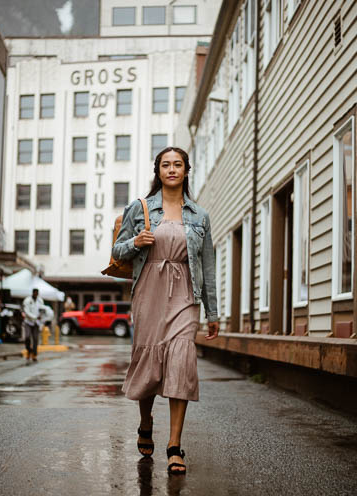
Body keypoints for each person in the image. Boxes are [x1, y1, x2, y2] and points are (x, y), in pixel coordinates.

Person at [112, 146, 219, 475]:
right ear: (157, 171)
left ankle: (174, 445)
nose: (172, 169)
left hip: (186, 292)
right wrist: (136, 242)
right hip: (149, 289)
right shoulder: (140, 208)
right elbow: (117, 250)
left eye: (178, 165)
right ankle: (146, 421)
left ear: (187, 170)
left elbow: (208, 265)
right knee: (150, 359)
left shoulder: (199, 216)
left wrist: (212, 312)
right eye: (165, 165)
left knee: (181, 359)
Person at [22, 288, 44, 363]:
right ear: (32, 293)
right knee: (27, 337)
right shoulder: (27, 300)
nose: (36, 294)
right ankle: (29, 350)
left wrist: (41, 316)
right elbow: (26, 311)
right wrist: (35, 317)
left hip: (36, 323)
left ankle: (34, 354)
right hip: (28, 322)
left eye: (37, 293)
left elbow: (42, 310)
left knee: (35, 339)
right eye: (34, 293)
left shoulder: (40, 301)